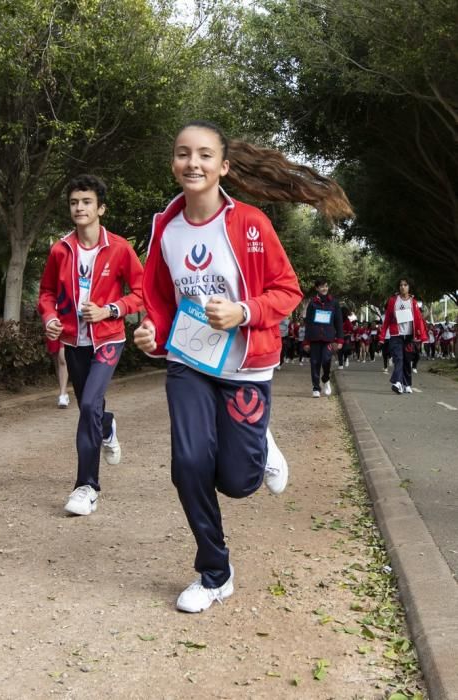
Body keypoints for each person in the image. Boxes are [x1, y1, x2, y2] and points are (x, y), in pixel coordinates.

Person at [134, 120, 352, 613]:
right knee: (188, 465)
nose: (194, 163)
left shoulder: (251, 223)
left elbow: (287, 289)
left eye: (205, 155)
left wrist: (243, 312)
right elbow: (161, 304)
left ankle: (262, 447)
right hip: (189, 363)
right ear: (174, 163)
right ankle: (215, 572)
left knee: (237, 481)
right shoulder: (165, 230)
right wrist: (151, 335)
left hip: (245, 367)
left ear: (223, 167)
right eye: (183, 153)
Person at [38, 174, 144, 515]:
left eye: (86, 202)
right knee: (92, 407)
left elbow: (141, 293)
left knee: (87, 408)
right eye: (74, 202)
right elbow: (47, 294)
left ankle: (86, 487)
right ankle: (108, 424)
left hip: (109, 339)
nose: (79, 208)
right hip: (76, 342)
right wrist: (50, 318)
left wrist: (110, 310)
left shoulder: (120, 248)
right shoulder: (60, 249)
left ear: (101, 208)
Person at [378, 277, 427, 394]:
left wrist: (422, 337)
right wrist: (381, 338)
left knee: (406, 361)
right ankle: (398, 383)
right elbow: (387, 321)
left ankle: (407, 384)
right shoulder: (393, 301)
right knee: (398, 358)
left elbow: (419, 320)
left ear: (409, 287)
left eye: (405, 285)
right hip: (396, 336)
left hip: (409, 336)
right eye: (401, 285)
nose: (403, 287)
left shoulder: (413, 302)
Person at [303, 277, 343, 397]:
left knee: (326, 360)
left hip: (328, 338)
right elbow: (308, 323)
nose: (324, 288)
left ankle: (326, 379)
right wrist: (306, 342)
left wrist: (340, 339)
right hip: (314, 337)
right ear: (317, 288)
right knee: (314, 363)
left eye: (326, 286)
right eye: (321, 286)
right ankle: (316, 387)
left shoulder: (334, 303)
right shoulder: (312, 303)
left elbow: (339, 322)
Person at [46, 337, 70, 407]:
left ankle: (62, 395)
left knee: (62, 359)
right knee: (56, 361)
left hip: (65, 329)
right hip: (53, 329)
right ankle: (64, 392)